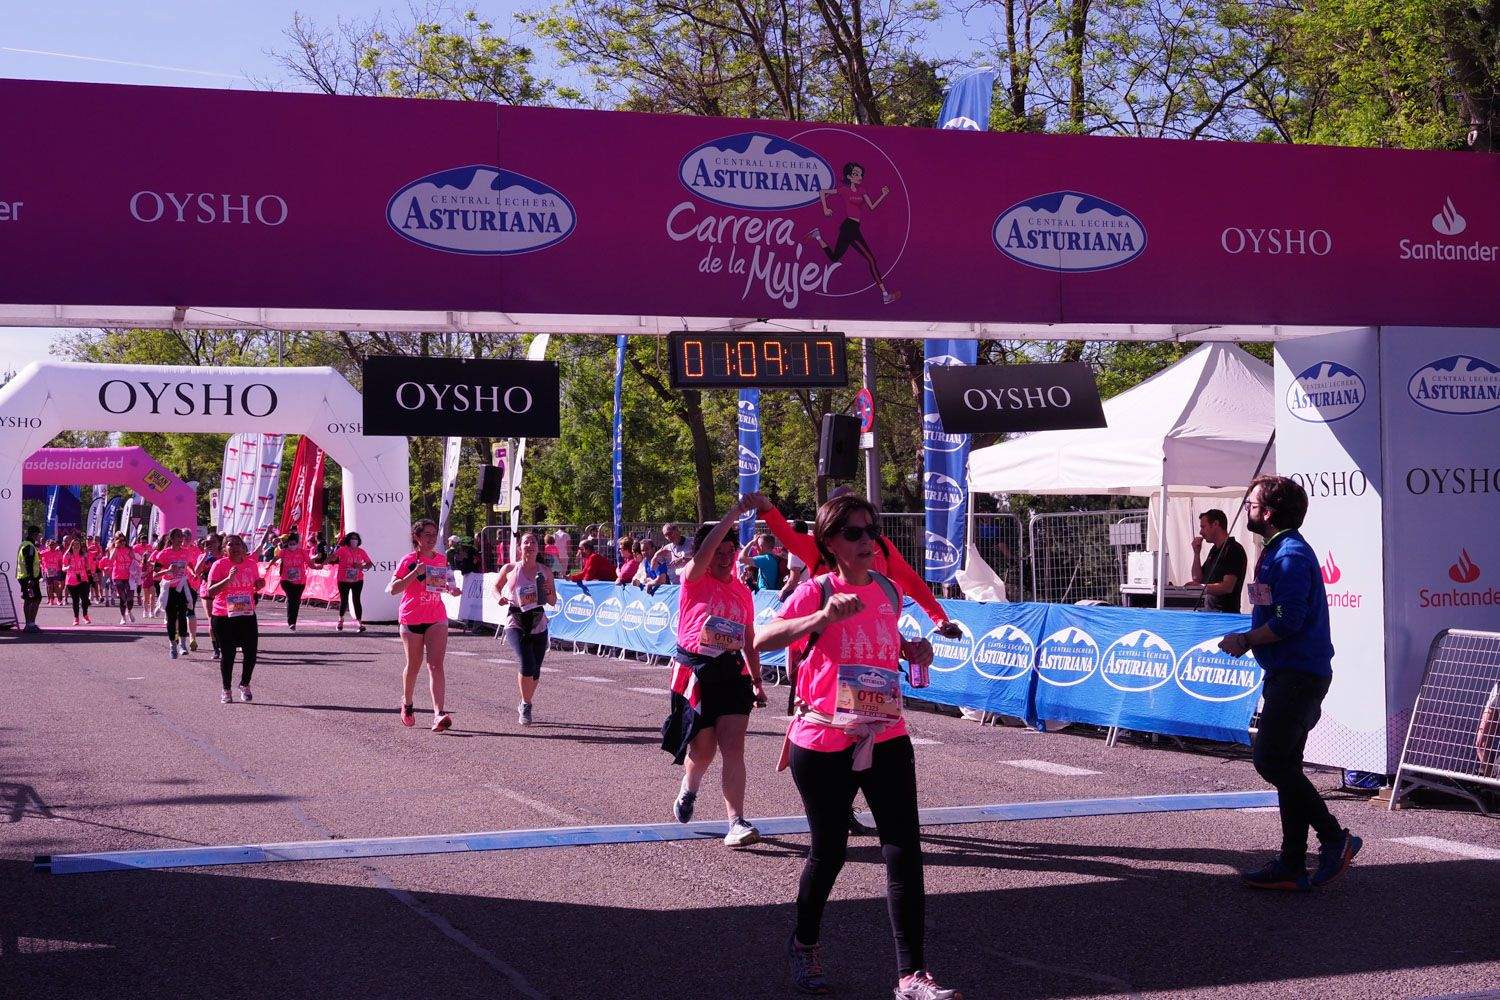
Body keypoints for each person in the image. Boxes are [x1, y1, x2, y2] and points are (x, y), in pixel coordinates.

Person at [754, 493, 958, 999]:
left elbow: (885, 642)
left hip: (886, 733)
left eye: (872, 530)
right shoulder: (817, 589)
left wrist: (915, 650)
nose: (868, 540)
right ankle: (804, 942)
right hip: (824, 738)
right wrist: (820, 618)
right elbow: (761, 638)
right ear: (829, 542)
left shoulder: (889, 590)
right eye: (854, 533)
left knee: (904, 850)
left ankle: (912, 976)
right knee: (829, 853)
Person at [1218, 475, 1360, 891]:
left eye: (1251, 503)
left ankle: (1334, 838)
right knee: (1287, 768)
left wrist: (1245, 640)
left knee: (1271, 762)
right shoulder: (1275, 551)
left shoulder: (1290, 556)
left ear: (1268, 513)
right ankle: (1292, 863)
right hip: (1289, 673)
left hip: (1299, 676)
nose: (1246, 507)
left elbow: (1288, 621)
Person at [663, 495, 769, 849]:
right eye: (718, 551)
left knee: (733, 748)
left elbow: (749, 640)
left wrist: (757, 681)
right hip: (697, 670)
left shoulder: (743, 592)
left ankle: (736, 822)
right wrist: (735, 512)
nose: (724, 557)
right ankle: (689, 788)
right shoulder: (693, 578)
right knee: (703, 750)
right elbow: (706, 551)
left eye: (730, 551)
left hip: (732, 672)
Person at [388, 518, 463, 732]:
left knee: (435, 665)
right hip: (411, 618)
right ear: (417, 537)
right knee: (414, 665)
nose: (431, 538)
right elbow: (393, 589)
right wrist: (415, 573)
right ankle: (407, 703)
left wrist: (451, 589)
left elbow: (445, 583)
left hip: (436, 617)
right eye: (427, 534)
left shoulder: (441, 560)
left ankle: (438, 714)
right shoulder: (409, 560)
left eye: (434, 534)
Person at [808, 162, 900, 305]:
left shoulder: (862, 190)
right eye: (856, 174)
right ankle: (885, 295)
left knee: (834, 257)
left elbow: (872, 207)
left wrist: (883, 195)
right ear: (849, 177)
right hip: (849, 228)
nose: (859, 176)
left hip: (852, 228)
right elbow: (822, 192)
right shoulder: (844, 190)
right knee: (871, 260)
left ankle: (817, 236)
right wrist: (825, 208)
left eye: (860, 174)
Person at [494, 532, 557, 726]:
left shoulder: (545, 571)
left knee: (535, 669)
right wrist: (499, 598)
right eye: (526, 542)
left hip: (538, 620)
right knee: (526, 662)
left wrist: (547, 590)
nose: (529, 545)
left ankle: (525, 701)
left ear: (538, 547)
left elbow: (552, 601)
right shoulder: (510, 568)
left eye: (533, 542)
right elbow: (495, 588)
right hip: (516, 619)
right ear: (520, 547)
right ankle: (526, 705)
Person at [202, 534, 265, 704]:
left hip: (246, 614)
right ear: (224, 549)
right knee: (228, 655)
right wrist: (228, 579)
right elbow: (210, 591)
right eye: (230, 544)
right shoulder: (219, 565)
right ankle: (226, 689)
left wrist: (260, 584)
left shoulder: (251, 564)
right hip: (223, 616)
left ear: (244, 548)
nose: (235, 547)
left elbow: (256, 584)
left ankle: (245, 684)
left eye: (238, 544)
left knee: (251, 653)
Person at [1191, 509, 1248, 613]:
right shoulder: (1214, 550)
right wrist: (1196, 554)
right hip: (1208, 613)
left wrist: (1201, 588)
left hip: (1224, 615)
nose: (1201, 532)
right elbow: (1197, 578)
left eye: (1203, 527)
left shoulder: (1233, 549)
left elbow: (1227, 586)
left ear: (1216, 524)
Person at [326, 532, 374, 632]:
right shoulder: (342, 550)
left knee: (356, 600)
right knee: (344, 600)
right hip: (343, 579)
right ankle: (340, 620)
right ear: (348, 540)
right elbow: (332, 558)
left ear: (358, 541)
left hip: (357, 579)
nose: (354, 540)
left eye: (356, 539)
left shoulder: (361, 551)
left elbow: (370, 564)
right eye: (352, 538)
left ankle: (360, 624)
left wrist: (361, 566)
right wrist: (328, 558)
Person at [270, 533, 310, 631]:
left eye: (294, 544)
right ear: (287, 544)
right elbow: (276, 558)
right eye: (290, 544)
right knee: (291, 599)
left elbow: (309, 562)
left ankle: (293, 622)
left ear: (297, 543)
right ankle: (291, 622)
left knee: (296, 601)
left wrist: (317, 566)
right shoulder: (284, 552)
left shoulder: (302, 552)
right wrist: (269, 565)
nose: (292, 546)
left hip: (300, 581)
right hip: (286, 580)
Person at [105, 532, 137, 625]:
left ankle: (129, 611)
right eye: (120, 540)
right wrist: (116, 547)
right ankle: (123, 617)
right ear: (116, 541)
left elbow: (134, 559)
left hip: (129, 576)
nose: (122, 542)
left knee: (130, 597)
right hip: (118, 576)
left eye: (123, 540)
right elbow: (111, 559)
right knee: (123, 597)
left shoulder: (129, 549)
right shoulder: (113, 549)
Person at [62, 535, 94, 626]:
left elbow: (88, 567)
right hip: (71, 580)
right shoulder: (67, 555)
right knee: (75, 600)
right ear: (71, 546)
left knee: (85, 599)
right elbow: (63, 568)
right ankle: (76, 618)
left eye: (78, 545)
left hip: (83, 579)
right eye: (74, 545)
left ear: (80, 546)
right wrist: (68, 567)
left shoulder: (83, 555)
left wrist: (88, 565)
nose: (76, 546)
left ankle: (85, 615)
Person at [16, 525, 43, 632]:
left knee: (30, 599)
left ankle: (29, 624)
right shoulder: (29, 546)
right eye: (38, 534)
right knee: (34, 599)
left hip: (24, 577)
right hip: (29, 578)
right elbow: (29, 563)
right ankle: (30, 624)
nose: (39, 537)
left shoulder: (24, 544)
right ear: (34, 534)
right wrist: (31, 579)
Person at [778, 520, 811, 602]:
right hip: (815, 589)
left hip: (802, 593)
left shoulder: (794, 551)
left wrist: (783, 591)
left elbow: (794, 580)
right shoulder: (813, 546)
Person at [136, 535, 159, 618]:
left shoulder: (152, 564)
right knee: (146, 598)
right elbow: (141, 575)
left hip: (152, 581)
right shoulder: (142, 565)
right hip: (145, 581)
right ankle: (145, 611)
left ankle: (151, 611)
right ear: (145, 557)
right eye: (147, 556)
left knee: (152, 597)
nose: (149, 558)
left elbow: (157, 570)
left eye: (150, 556)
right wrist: (147, 571)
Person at [42, 539, 65, 607]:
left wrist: (61, 568)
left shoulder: (58, 552)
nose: (52, 546)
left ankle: (59, 600)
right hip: (48, 571)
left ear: (55, 545)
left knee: (56, 585)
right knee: (49, 586)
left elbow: (61, 561)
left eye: (53, 545)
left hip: (56, 570)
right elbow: (38, 556)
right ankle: (51, 599)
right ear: (48, 546)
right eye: (50, 545)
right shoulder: (45, 552)